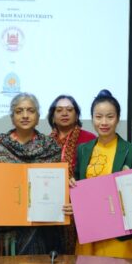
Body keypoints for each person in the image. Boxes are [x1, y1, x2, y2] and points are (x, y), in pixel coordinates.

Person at [0, 93, 64, 256]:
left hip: (41, 229)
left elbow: (58, 186)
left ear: (38, 117)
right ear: (12, 117)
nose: (25, 115)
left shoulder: (50, 146)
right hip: (4, 231)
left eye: (30, 111)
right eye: (19, 111)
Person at [68, 90, 132, 258]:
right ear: (92, 118)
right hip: (89, 230)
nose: (104, 122)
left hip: (117, 234)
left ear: (117, 118)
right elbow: (78, 181)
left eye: (110, 117)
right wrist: (72, 184)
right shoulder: (83, 150)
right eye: (98, 117)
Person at [46, 94, 96, 254]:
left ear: (77, 115)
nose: (64, 113)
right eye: (59, 110)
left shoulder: (90, 139)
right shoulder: (44, 142)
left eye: (69, 109)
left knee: (77, 259)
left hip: (79, 207)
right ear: (52, 116)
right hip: (50, 207)